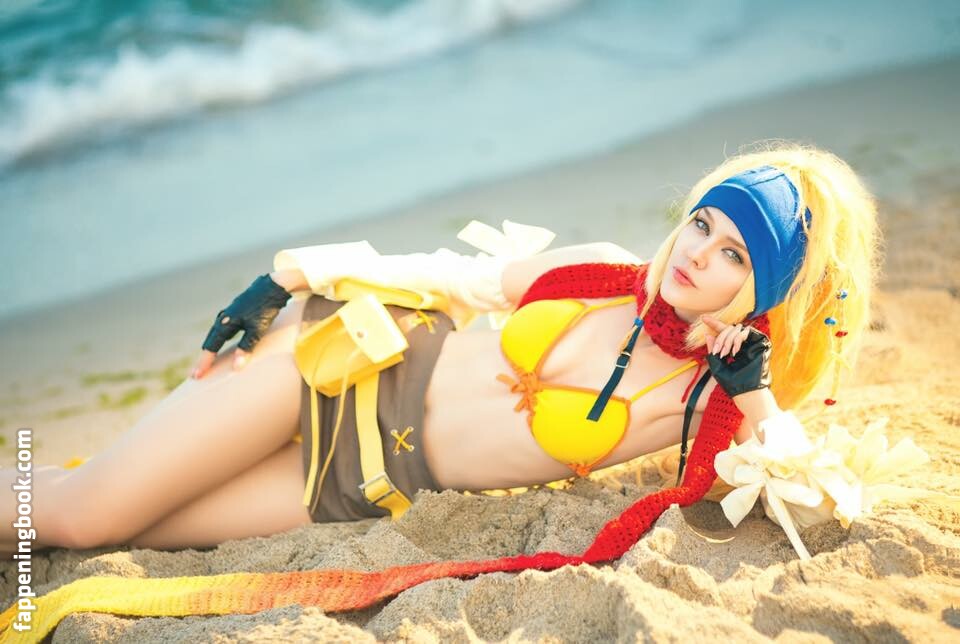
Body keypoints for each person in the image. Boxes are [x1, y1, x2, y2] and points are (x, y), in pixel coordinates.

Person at [0, 141, 880, 557]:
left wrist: (754, 390)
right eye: (703, 224)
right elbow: (454, 280)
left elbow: (814, 512)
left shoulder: (710, 401)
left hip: (368, 482)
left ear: (766, 289)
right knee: (82, 515)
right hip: (341, 362)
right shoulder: (608, 273)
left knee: (120, 531)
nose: (698, 253)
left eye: (736, 256)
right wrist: (286, 276)